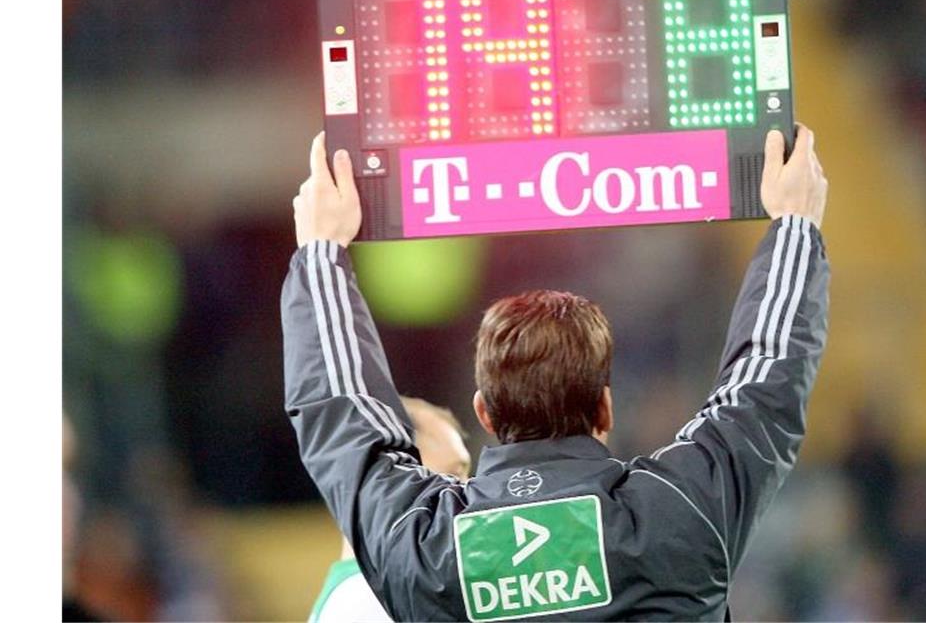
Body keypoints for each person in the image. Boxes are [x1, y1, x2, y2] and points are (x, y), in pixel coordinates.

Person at [284, 125, 829, 620]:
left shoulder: (424, 550)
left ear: (485, 413)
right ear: (604, 408)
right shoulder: (677, 515)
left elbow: (341, 416)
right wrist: (794, 229)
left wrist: (320, 252)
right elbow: (764, 388)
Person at [308, 397, 472, 623]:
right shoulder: (371, 601)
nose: (466, 493)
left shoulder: (361, 595)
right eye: (452, 476)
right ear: (390, 477)